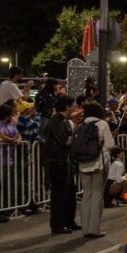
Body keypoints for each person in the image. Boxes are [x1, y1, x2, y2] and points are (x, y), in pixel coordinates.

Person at [41, 95, 81, 234]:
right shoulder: (57, 122)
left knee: (69, 193)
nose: (74, 109)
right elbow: (65, 140)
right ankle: (58, 225)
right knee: (59, 195)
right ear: (67, 107)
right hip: (58, 162)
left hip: (65, 162)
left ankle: (69, 221)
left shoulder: (63, 121)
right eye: (72, 106)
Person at [77, 102, 114, 238]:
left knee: (86, 195)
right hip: (99, 163)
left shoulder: (81, 125)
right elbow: (110, 144)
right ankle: (95, 228)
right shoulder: (103, 124)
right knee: (97, 195)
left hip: (83, 164)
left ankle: (85, 228)